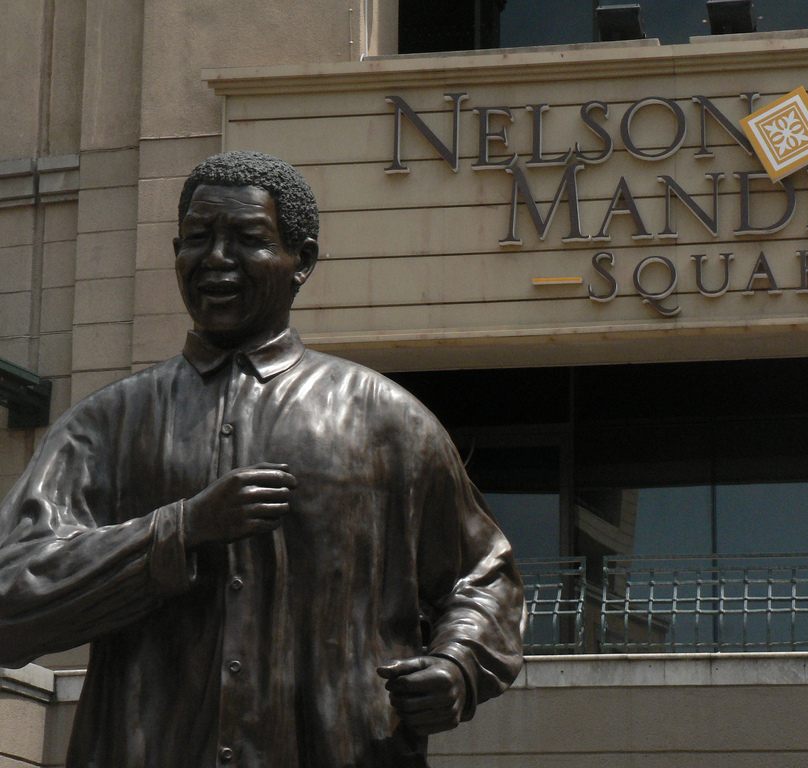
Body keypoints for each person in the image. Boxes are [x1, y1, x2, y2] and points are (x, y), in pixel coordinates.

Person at [0, 151, 523, 767]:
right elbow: (12, 597)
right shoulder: (107, 426)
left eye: (247, 239)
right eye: (197, 238)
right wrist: (179, 532)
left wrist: (457, 666)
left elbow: (486, 580)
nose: (216, 258)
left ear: (301, 261)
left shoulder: (388, 421)